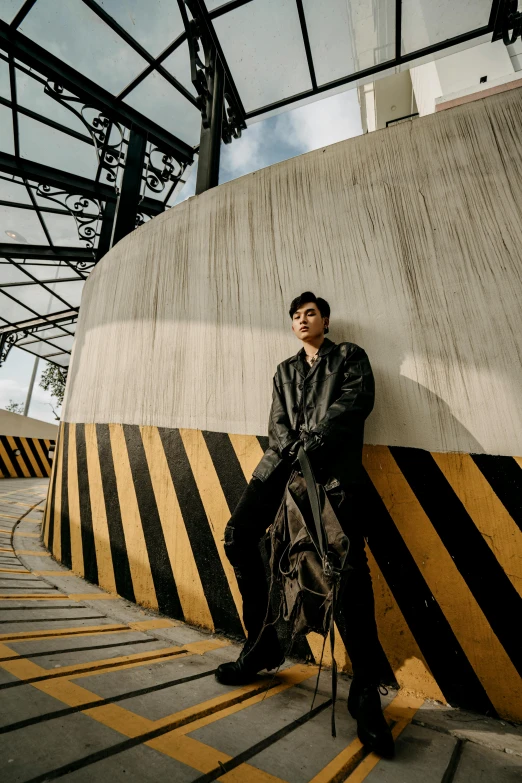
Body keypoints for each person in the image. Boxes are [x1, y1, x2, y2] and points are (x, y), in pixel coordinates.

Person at [215, 291, 394, 758]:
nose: (301, 320)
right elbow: (277, 423)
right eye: (295, 316)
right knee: (238, 536)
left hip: (334, 476)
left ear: (326, 320)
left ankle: (365, 692)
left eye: (309, 313)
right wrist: (287, 453)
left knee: (349, 571)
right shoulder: (284, 370)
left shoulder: (350, 357)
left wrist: (315, 439)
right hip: (282, 469)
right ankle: (263, 644)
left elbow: (356, 403)